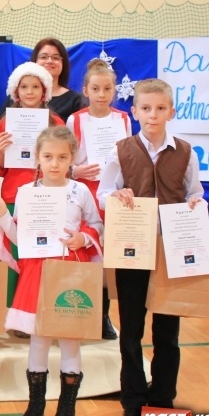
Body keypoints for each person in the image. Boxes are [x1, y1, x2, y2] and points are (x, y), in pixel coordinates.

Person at [97, 78, 204, 416]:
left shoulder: (187, 152)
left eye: (160, 108)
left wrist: (194, 202)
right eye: (146, 108)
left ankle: (162, 399)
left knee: (167, 332)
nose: (153, 115)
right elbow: (102, 194)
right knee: (130, 329)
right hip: (132, 250)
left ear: (171, 111)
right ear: (134, 111)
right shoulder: (121, 150)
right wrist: (116, 196)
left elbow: (195, 193)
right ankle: (133, 399)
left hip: (171, 251)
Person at [0, 126, 103, 416]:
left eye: (63, 157)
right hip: (38, 273)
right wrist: (1, 213)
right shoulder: (27, 193)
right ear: (37, 158)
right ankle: (35, 405)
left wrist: (83, 237)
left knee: (69, 340)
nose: (55, 163)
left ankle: (67, 407)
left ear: (72, 159)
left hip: (69, 273)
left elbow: (96, 226)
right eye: (48, 156)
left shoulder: (80, 192)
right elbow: (18, 238)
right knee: (38, 341)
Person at [66, 59, 132, 340]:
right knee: (85, 255)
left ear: (114, 90)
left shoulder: (123, 119)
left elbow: (130, 158)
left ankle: (104, 315)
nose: (102, 94)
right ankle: (78, 313)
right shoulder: (76, 119)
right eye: (96, 88)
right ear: (86, 90)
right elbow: (65, 156)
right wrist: (75, 170)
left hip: (113, 195)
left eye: (107, 88)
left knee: (108, 258)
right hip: (85, 193)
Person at [0, 62, 63, 318]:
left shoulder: (55, 122)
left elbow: (66, 159)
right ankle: (16, 312)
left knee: (44, 257)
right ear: (16, 91)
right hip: (14, 195)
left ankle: (46, 310)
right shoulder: (4, 124)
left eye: (35, 86)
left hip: (48, 195)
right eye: (24, 87)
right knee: (17, 257)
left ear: (44, 91)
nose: (30, 92)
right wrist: (0, 153)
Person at [0, 38, 84, 123]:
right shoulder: (15, 98)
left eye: (56, 58)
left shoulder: (75, 101)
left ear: (63, 63)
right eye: (43, 57)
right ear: (34, 61)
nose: (49, 61)